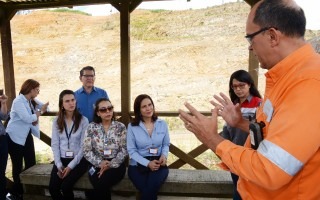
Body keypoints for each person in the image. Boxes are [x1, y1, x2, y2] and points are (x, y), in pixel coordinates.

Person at [179, 0, 320, 199]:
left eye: (250, 39)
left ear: (272, 36)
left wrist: (212, 139)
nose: (250, 48)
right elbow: (275, 136)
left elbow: (270, 169)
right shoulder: (289, 76)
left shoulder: (308, 83)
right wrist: (240, 123)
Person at [219, 70, 261, 200]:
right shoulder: (233, 105)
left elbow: (261, 131)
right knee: (237, 189)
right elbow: (227, 129)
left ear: (249, 85)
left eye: (241, 85)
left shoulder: (259, 104)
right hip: (234, 156)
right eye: (235, 86)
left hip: (251, 158)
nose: (238, 89)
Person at [6, 79, 49, 199]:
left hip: (26, 135)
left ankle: (31, 189)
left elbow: (46, 108)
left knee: (31, 162)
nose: (38, 92)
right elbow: (26, 118)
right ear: (30, 89)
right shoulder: (18, 101)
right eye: (37, 89)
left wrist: (41, 107)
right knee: (17, 165)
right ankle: (17, 192)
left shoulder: (31, 100)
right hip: (15, 137)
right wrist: (40, 111)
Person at [127, 94, 170, 200]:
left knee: (149, 189)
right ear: (138, 110)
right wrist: (147, 163)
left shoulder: (162, 124)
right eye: (144, 106)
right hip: (137, 165)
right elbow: (131, 151)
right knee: (149, 190)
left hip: (157, 164)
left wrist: (164, 156)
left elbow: (165, 144)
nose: (148, 108)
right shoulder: (132, 127)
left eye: (150, 105)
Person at [83, 98, 127, 200]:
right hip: (95, 163)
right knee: (99, 182)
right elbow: (86, 150)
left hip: (116, 164)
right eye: (103, 110)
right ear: (98, 113)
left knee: (101, 184)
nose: (108, 111)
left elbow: (124, 149)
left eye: (110, 108)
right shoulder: (91, 127)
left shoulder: (120, 127)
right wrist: (100, 163)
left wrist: (110, 164)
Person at [48, 90, 89, 200]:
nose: (71, 103)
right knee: (53, 188)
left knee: (66, 187)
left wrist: (70, 167)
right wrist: (58, 164)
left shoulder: (83, 120)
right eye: (67, 101)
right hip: (62, 158)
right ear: (62, 104)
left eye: (73, 100)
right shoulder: (57, 121)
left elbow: (83, 147)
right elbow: (55, 144)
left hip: (79, 160)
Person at [0, 92, 8, 200]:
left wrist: (3, 103)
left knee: (2, 171)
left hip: (2, 139)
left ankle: (2, 196)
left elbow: (4, 116)